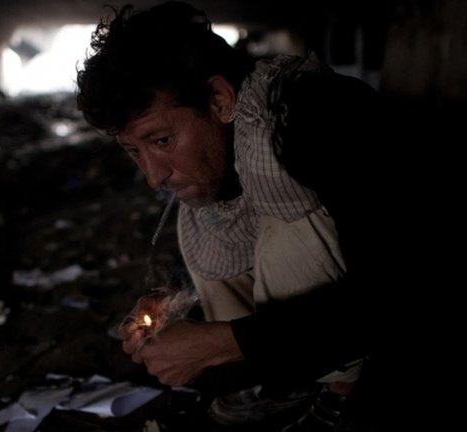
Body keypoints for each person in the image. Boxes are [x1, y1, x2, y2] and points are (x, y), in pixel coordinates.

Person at [77, 2, 393, 428]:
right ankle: (288, 382)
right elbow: (241, 240)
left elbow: (402, 288)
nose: (152, 177)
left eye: (163, 140)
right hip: (312, 339)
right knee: (202, 223)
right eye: (135, 151)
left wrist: (221, 343)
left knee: (289, 230)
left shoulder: (317, 121)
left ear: (220, 100)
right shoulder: (230, 150)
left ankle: (344, 387)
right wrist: (176, 307)